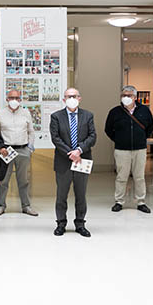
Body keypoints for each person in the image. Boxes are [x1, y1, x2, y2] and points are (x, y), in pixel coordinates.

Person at [49, 87, 96, 237]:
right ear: (63, 99)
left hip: (82, 159)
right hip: (63, 161)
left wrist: (79, 150)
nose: (71, 98)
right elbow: (55, 138)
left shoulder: (88, 115)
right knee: (61, 195)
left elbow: (92, 136)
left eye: (74, 96)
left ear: (79, 98)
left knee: (81, 194)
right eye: (68, 96)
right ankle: (61, 223)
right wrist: (71, 152)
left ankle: (80, 224)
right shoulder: (56, 116)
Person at [105, 85, 153, 213]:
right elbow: (108, 129)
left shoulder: (144, 110)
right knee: (122, 176)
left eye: (129, 95)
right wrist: (119, 140)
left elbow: (150, 127)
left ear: (135, 97)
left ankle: (141, 202)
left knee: (139, 177)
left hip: (140, 149)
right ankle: (119, 201)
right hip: (121, 149)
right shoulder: (115, 112)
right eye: (123, 95)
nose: (126, 97)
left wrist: (141, 138)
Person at [0, 89, 37, 217]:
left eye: (17, 98)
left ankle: (26, 206)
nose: (14, 100)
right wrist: (0, 148)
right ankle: (1, 205)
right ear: (7, 99)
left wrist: (29, 147)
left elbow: (31, 131)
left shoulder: (25, 113)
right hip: (6, 151)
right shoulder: (0, 114)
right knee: (4, 180)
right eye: (11, 98)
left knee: (23, 180)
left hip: (23, 150)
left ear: (20, 99)